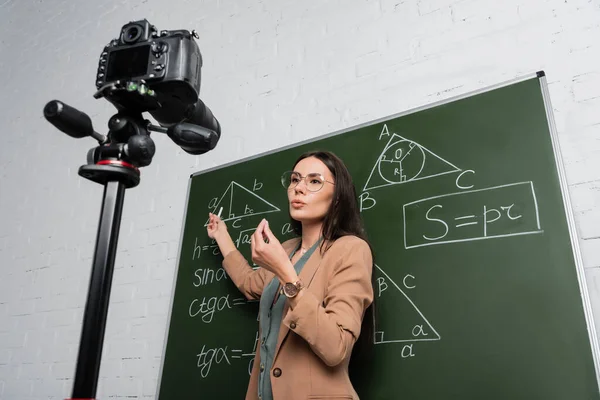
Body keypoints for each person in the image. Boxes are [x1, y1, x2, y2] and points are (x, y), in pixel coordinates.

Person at [207, 150, 375, 400]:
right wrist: (222, 236)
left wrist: (285, 273)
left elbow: (336, 347)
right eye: (295, 179)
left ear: (338, 197)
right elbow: (248, 283)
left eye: (314, 181)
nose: (299, 188)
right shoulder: (286, 249)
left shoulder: (350, 249)